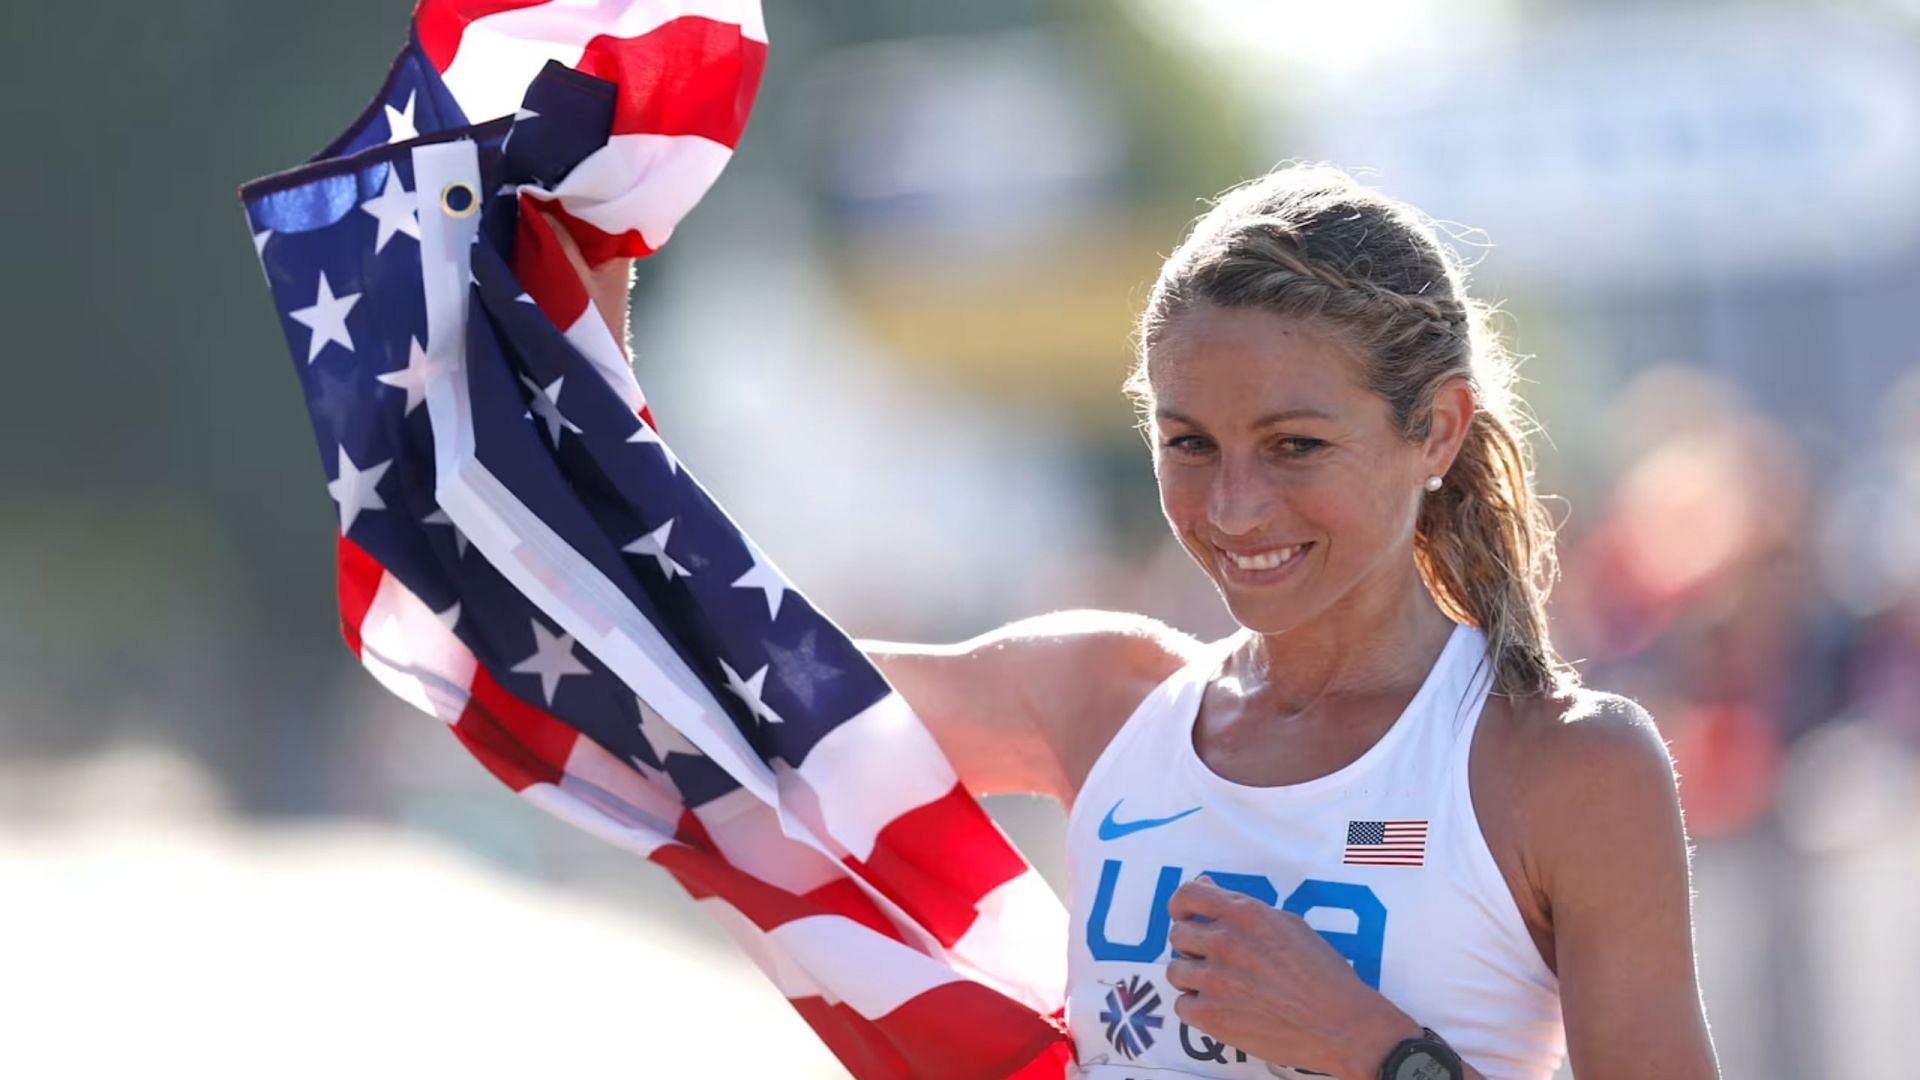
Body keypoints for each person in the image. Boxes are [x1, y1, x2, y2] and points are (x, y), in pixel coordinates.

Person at [574, 163, 1719, 1079]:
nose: (1233, 507)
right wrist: (588, 296)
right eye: (1190, 444)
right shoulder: (1107, 697)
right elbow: (708, 678)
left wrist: (1379, 1055)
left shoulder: (1563, 764)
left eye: (1296, 446)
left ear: (1438, 430)